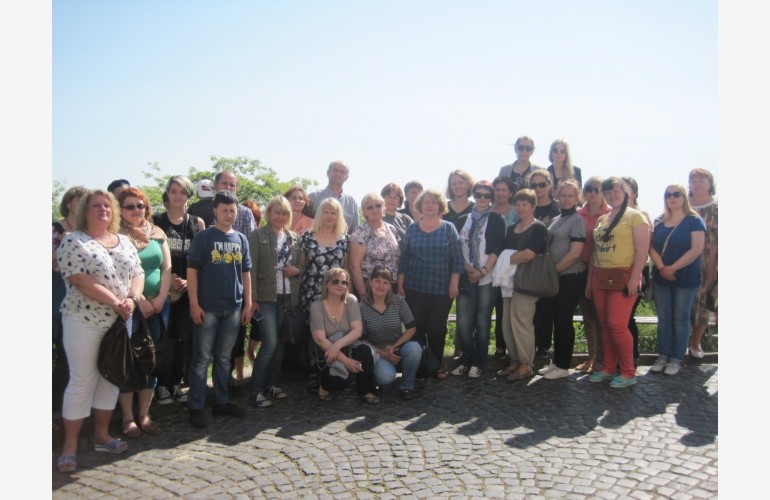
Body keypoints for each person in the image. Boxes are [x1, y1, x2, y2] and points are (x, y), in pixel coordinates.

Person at [56, 189, 144, 472]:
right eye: (96, 205)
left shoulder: (124, 241)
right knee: (82, 380)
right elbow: (78, 278)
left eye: (107, 205)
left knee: (111, 378)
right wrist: (116, 302)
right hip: (84, 320)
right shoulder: (73, 240)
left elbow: (138, 273)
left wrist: (132, 299)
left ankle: (102, 436)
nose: (103, 209)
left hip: (119, 321)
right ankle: (69, 446)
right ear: (85, 210)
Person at [186, 190, 252, 428]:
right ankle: (196, 406)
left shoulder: (241, 239)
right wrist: (194, 303)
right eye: (224, 210)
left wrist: (248, 303)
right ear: (215, 210)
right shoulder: (204, 237)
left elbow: (246, 273)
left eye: (232, 210)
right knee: (202, 358)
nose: (229, 214)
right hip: (207, 308)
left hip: (233, 307)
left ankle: (221, 402)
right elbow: (192, 272)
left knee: (224, 359)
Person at [116, 187, 172, 438]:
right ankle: (128, 417)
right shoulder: (116, 236)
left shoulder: (157, 233)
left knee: (151, 360)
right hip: (130, 306)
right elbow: (118, 274)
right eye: (130, 206)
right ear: (120, 210)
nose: (136, 210)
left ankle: (144, 414)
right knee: (129, 362)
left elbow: (167, 268)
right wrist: (139, 300)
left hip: (159, 305)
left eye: (140, 205)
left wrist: (160, 298)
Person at [586, 177, 649, 388]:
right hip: (599, 275)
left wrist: (634, 278)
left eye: (616, 191)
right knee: (604, 324)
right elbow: (595, 252)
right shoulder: (602, 219)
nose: (612, 195)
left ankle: (628, 371)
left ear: (625, 192)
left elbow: (642, 251)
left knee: (617, 324)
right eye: (608, 192)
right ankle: (609, 367)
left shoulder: (635, 216)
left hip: (623, 275)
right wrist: (589, 281)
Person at [397, 189, 463, 380]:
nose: (430, 205)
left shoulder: (449, 228)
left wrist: (454, 284)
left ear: (440, 205)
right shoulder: (412, 229)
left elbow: (457, 259)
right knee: (417, 329)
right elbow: (404, 258)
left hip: (441, 289)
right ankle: (420, 366)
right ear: (420, 205)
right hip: (414, 287)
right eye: (426, 202)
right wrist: (400, 284)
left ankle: (436, 366)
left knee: (437, 329)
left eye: (434, 202)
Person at [151, 176, 205, 405]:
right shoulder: (156, 221)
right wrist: (169, 280)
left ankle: (175, 382)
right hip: (162, 289)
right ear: (167, 193)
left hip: (187, 289)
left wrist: (188, 282)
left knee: (183, 337)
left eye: (182, 192)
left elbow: (201, 259)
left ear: (189, 195)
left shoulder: (197, 223)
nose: (177, 196)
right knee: (162, 339)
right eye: (173, 191)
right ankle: (161, 384)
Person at [246, 196, 302, 407]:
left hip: (287, 297)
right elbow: (250, 269)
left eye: (285, 213)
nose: (281, 217)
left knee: (279, 344)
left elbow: (300, 267)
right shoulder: (257, 235)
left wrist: (297, 270)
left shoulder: (293, 238)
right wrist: (252, 299)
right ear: (269, 213)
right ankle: (256, 390)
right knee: (269, 342)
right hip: (265, 298)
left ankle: (271, 384)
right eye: (277, 212)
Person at [649, 184, 706, 375]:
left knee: (680, 319)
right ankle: (662, 356)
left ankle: (675, 359)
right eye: (668, 195)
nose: (672, 198)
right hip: (662, 276)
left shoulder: (694, 221)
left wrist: (672, 268)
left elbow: (696, 249)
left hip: (686, 277)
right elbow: (651, 247)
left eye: (676, 194)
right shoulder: (658, 221)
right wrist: (662, 268)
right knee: (664, 319)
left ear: (684, 197)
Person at [450, 181, 505, 379]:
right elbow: (456, 249)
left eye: (486, 195)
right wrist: (469, 269)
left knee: (482, 322)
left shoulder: (497, 220)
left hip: (487, 278)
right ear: (473, 195)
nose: (482, 198)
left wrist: (482, 271)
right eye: (478, 194)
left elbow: (497, 248)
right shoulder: (461, 220)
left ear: (491, 198)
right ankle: (466, 359)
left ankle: (478, 362)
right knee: (463, 323)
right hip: (466, 277)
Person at [298, 197, 350, 391]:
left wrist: (348, 295)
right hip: (312, 292)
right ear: (320, 214)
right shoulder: (307, 237)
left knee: (334, 332)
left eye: (333, 212)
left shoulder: (344, 239)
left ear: (338, 216)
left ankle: (332, 371)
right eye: (326, 212)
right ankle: (314, 371)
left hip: (336, 294)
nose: (329, 216)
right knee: (314, 334)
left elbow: (346, 269)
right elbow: (302, 267)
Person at [496, 189, 547, 381]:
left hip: (527, 282)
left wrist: (505, 259)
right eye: (517, 204)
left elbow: (529, 255)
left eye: (524, 204)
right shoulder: (511, 229)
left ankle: (526, 364)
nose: (520, 208)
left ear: (533, 206)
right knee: (507, 323)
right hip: (509, 282)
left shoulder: (538, 228)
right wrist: (508, 259)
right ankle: (514, 360)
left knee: (522, 323)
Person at [537, 181, 586, 380]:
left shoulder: (577, 220)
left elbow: (575, 253)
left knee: (564, 320)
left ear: (576, 198)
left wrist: (553, 271)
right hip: (556, 277)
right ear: (557, 196)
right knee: (555, 319)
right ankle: (556, 361)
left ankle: (564, 365)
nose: (566, 199)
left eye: (570, 195)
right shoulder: (557, 218)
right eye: (563, 195)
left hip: (570, 276)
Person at [309, 268, 380, 403]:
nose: (340, 285)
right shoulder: (316, 306)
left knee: (365, 352)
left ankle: (365, 390)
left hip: (347, 344)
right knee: (342, 382)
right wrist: (346, 361)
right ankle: (324, 386)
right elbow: (319, 338)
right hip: (325, 349)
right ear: (326, 284)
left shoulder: (351, 300)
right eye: (335, 281)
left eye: (344, 282)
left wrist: (337, 346)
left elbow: (357, 330)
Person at [213, 171, 257, 385]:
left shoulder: (245, 213)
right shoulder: (205, 210)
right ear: (216, 186)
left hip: (237, 286)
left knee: (235, 337)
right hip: (211, 288)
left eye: (232, 184)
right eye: (225, 183)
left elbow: (249, 253)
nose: (229, 187)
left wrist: (249, 296)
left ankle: (231, 378)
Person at [359, 267, 421, 400]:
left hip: (397, 347)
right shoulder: (361, 307)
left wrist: (393, 347)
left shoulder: (398, 301)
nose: (381, 286)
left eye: (385, 282)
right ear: (370, 282)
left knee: (415, 348)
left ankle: (407, 386)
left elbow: (412, 328)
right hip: (376, 352)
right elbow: (361, 339)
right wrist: (382, 353)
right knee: (385, 377)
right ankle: (374, 380)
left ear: (390, 285)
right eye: (377, 281)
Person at [53, 186, 87, 414]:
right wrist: (65, 244)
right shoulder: (55, 229)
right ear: (68, 203)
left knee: (72, 357)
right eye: (79, 198)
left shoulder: (88, 229)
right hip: (56, 292)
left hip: (82, 297)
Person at [576, 177, 610, 373]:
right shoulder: (579, 214)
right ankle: (591, 357)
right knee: (587, 316)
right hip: (580, 269)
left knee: (601, 318)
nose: (593, 193)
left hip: (600, 270)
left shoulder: (610, 214)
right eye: (589, 189)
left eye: (598, 189)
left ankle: (602, 360)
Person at [622, 176, 654, 366]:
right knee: (618, 318)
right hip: (617, 270)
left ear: (635, 192)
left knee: (627, 316)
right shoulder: (612, 214)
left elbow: (646, 247)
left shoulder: (642, 214)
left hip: (639, 270)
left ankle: (632, 356)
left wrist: (637, 275)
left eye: (627, 189)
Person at [687, 168, 718, 359]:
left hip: (709, 260)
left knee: (702, 302)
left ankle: (695, 342)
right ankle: (679, 343)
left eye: (701, 180)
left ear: (710, 184)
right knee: (682, 303)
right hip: (682, 259)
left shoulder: (717, 208)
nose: (697, 184)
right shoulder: (682, 205)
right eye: (693, 180)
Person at [530, 169, 560, 359]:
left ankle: (544, 347)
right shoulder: (526, 205)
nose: (538, 188)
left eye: (542, 184)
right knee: (530, 308)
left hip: (552, 263)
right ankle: (528, 346)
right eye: (534, 185)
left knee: (547, 309)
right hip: (529, 263)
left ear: (550, 185)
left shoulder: (558, 208)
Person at [350, 192, 401, 298]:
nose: (375, 209)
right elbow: (354, 266)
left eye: (378, 205)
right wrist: (363, 294)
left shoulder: (392, 229)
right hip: (370, 288)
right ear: (364, 211)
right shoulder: (360, 231)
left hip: (391, 287)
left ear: (384, 207)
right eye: (370, 207)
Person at [491, 176, 519, 358]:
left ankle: (508, 347)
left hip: (510, 267)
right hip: (488, 266)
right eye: (497, 189)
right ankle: (496, 346)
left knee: (505, 309)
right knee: (488, 308)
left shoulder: (517, 212)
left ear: (510, 192)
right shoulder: (487, 211)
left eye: (504, 190)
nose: (500, 193)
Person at [308, 160, 359, 233]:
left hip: (342, 240)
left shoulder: (351, 202)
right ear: (328, 173)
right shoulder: (313, 197)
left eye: (342, 172)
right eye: (335, 170)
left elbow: (355, 231)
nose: (337, 174)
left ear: (346, 177)